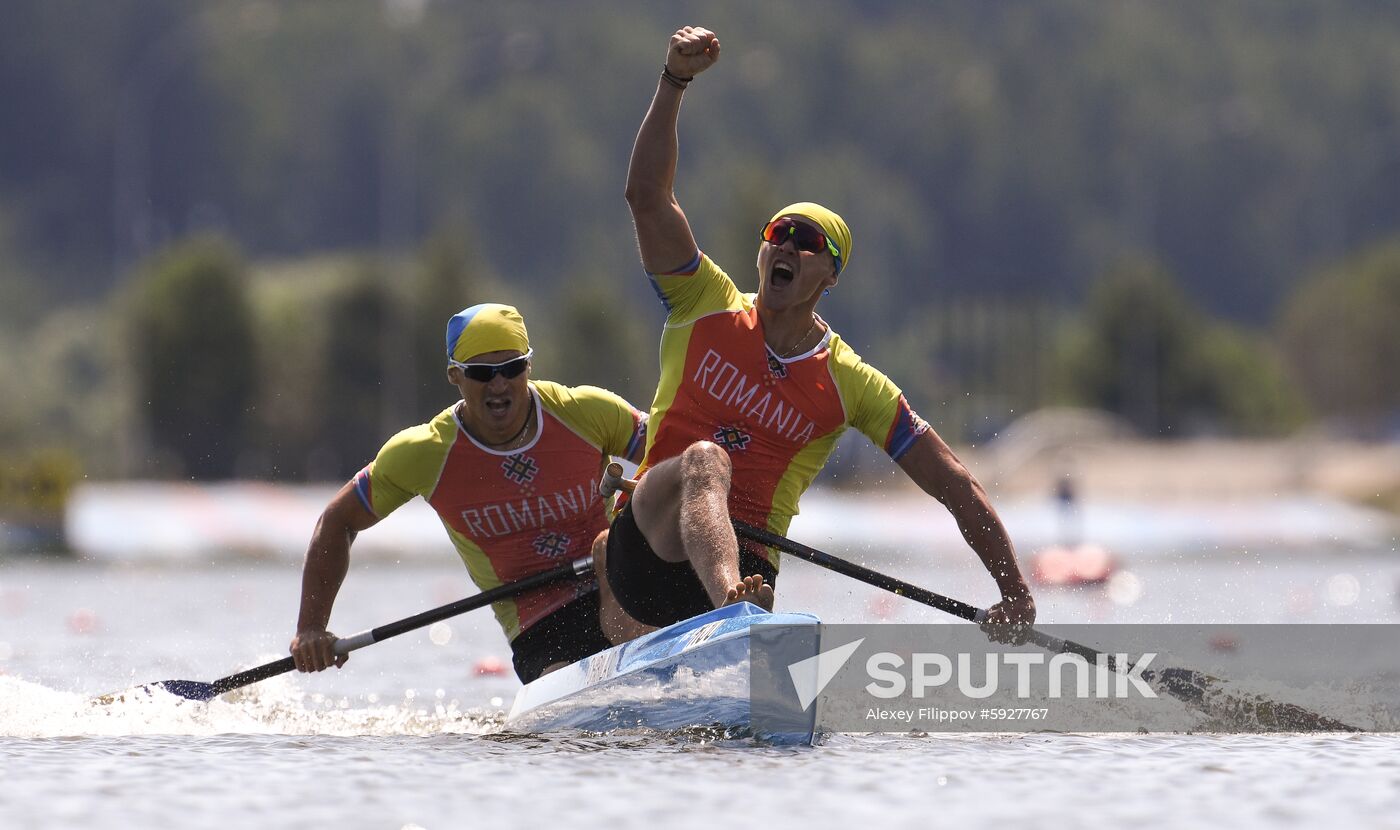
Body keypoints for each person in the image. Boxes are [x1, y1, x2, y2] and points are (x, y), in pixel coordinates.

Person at [604, 25, 1036, 636]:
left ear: (830, 276)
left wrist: (1014, 591)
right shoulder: (705, 303)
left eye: (807, 243)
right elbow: (646, 196)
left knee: (738, 566)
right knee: (706, 459)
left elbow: (954, 485)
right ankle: (728, 604)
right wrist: (674, 80)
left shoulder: (852, 384)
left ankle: (732, 626)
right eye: (776, 235)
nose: (785, 245)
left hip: (753, 563)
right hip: (649, 545)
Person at [289, 303, 648, 682]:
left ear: (529, 366)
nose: (499, 385)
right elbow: (338, 520)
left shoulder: (586, 412)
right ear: (454, 376)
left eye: (512, 368)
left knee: (619, 543)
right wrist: (311, 627)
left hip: (626, 578)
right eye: (481, 373)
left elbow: (678, 453)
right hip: (541, 621)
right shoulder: (425, 452)